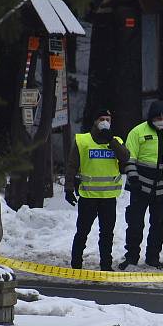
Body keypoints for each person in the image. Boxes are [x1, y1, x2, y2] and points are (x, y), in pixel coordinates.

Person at [118, 100, 163, 270]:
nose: (162, 119)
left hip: (162, 188)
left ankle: (153, 257)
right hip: (140, 185)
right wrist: (133, 177)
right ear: (151, 117)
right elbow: (129, 157)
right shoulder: (138, 131)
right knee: (135, 224)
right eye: (159, 116)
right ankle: (131, 258)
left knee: (159, 226)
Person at [65, 108, 130, 271]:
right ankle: (76, 264)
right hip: (88, 196)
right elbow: (72, 165)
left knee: (107, 234)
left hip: (108, 197)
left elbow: (125, 157)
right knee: (82, 232)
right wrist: (68, 188)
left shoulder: (116, 141)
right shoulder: (83, 141)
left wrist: (112, 141)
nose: (105, 122)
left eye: (108, 119)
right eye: (101, 119)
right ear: (95, 121)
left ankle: (106, 265)